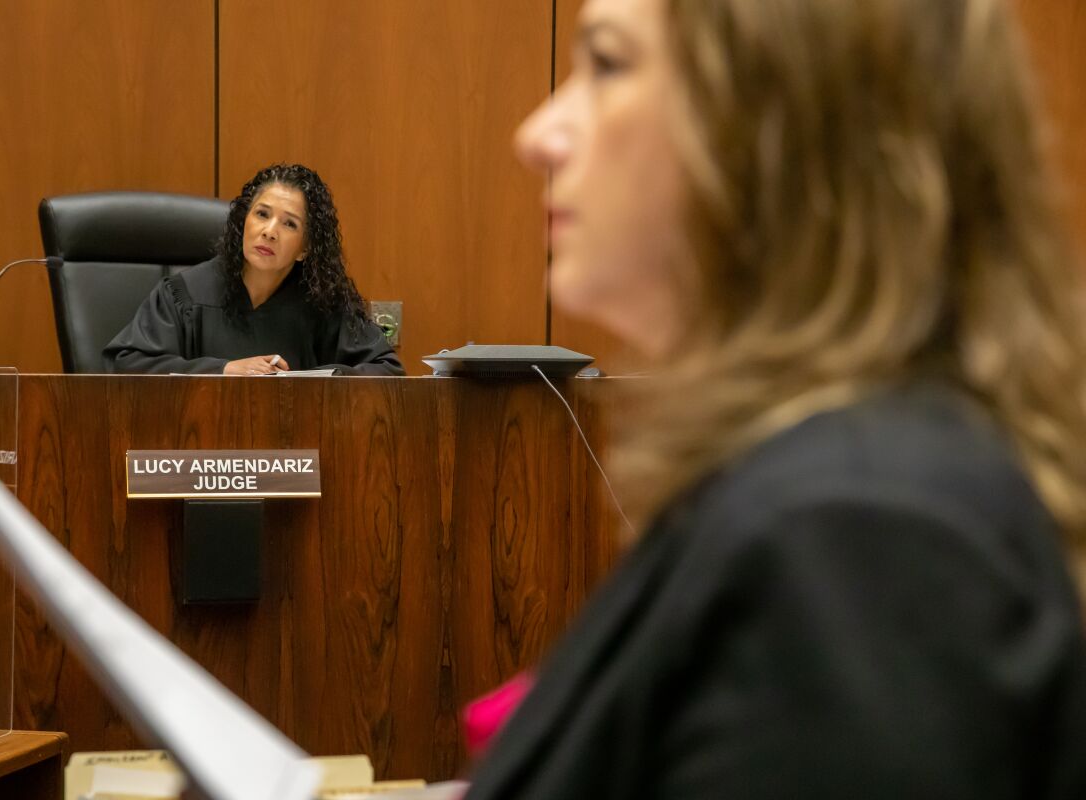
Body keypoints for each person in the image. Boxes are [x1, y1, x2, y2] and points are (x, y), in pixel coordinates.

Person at [465, 0, 1086, 797]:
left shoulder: (860, 530)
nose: (537, 134)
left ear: (777, 124)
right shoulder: (839, 479)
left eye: (610, 65)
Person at [103, 163, 404, 376]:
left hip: (294, 456)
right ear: (243, 221)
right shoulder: (184, 295)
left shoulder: (323, 303)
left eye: (289, 224)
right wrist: (223, 370)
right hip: (197, 455)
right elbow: (125, 364)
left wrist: (310, 381)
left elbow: (386, 370)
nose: (269, 231)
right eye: (262, 214)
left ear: (305, 248)